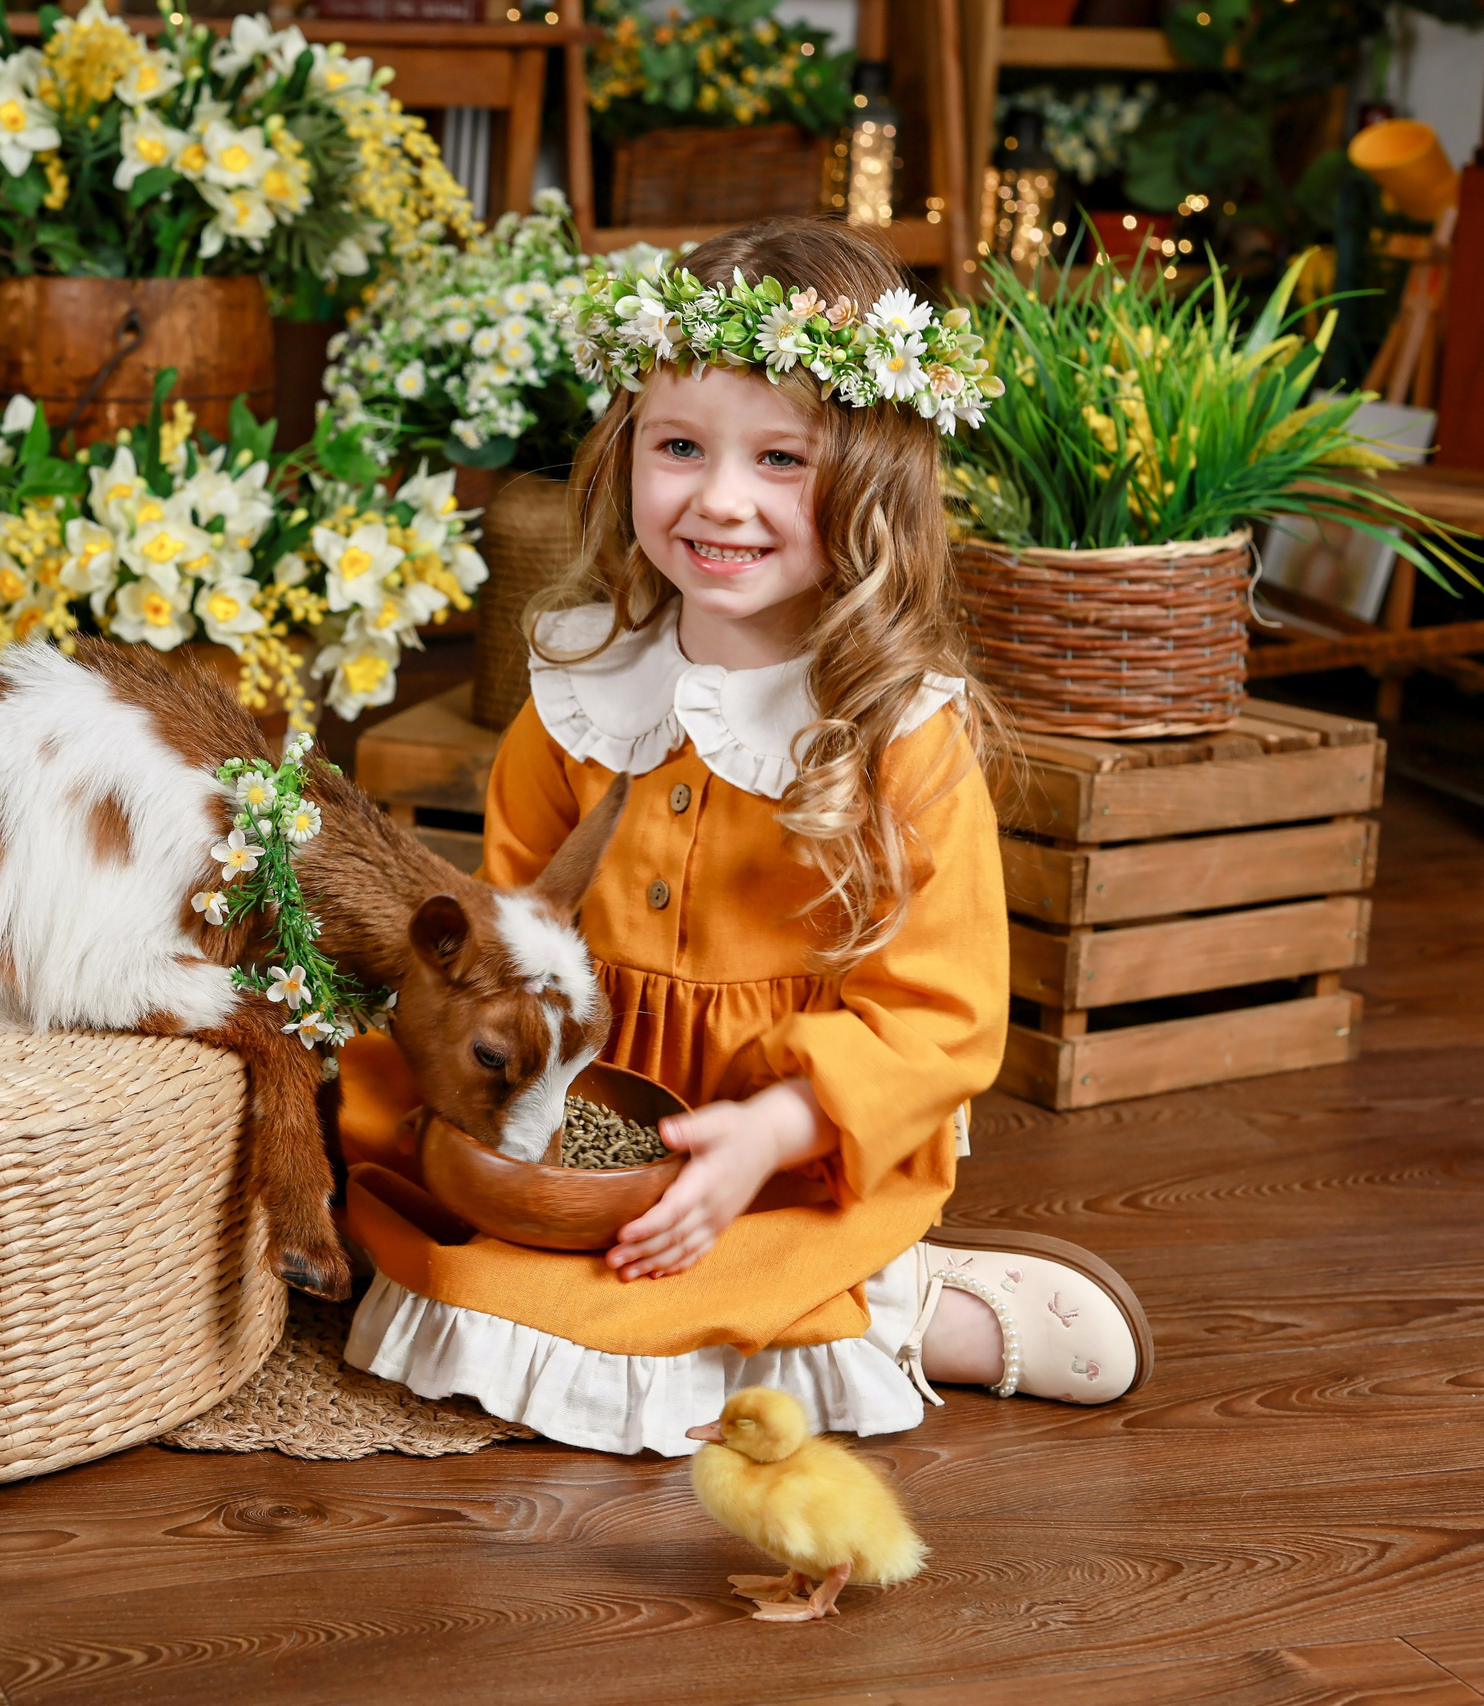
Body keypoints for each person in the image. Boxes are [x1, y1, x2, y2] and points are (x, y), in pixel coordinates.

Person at [335, 217, 1153, 1457]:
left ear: (870, 478)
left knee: (566, 1298)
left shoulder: (894, 736)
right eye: (679, 446)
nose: (718, 497)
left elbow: (942, 1018)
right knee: (378, 1159)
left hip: (791, 1137)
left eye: (781, 457)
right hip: (583, 1104)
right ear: (626, 453)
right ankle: (806, 1308)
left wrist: (769, 1132)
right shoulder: (576, 692)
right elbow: (502, 935)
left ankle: (891, 1300)